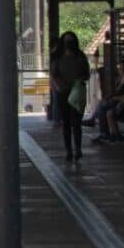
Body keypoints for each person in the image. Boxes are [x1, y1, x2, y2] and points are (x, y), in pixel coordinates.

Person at [49, 30, 91, 161]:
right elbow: (54, 75)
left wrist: (80, 80)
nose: (69, 43)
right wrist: (58, 86)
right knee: (67, 123)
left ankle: (78, 148)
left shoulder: (80, 57)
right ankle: (69, 150)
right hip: (63, 93)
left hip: (77, 92)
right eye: (67, 40)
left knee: (76, 122)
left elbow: (87, 74)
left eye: (70, 40)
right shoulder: (58, 58)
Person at [94, 59, 124, 144]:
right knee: (104, 105)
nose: (119, 71)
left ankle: (108, 134)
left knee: (107, 110)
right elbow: (117, 91)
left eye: (121, 69)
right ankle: (109, 134)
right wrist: (121, 83)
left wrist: (114, 98)